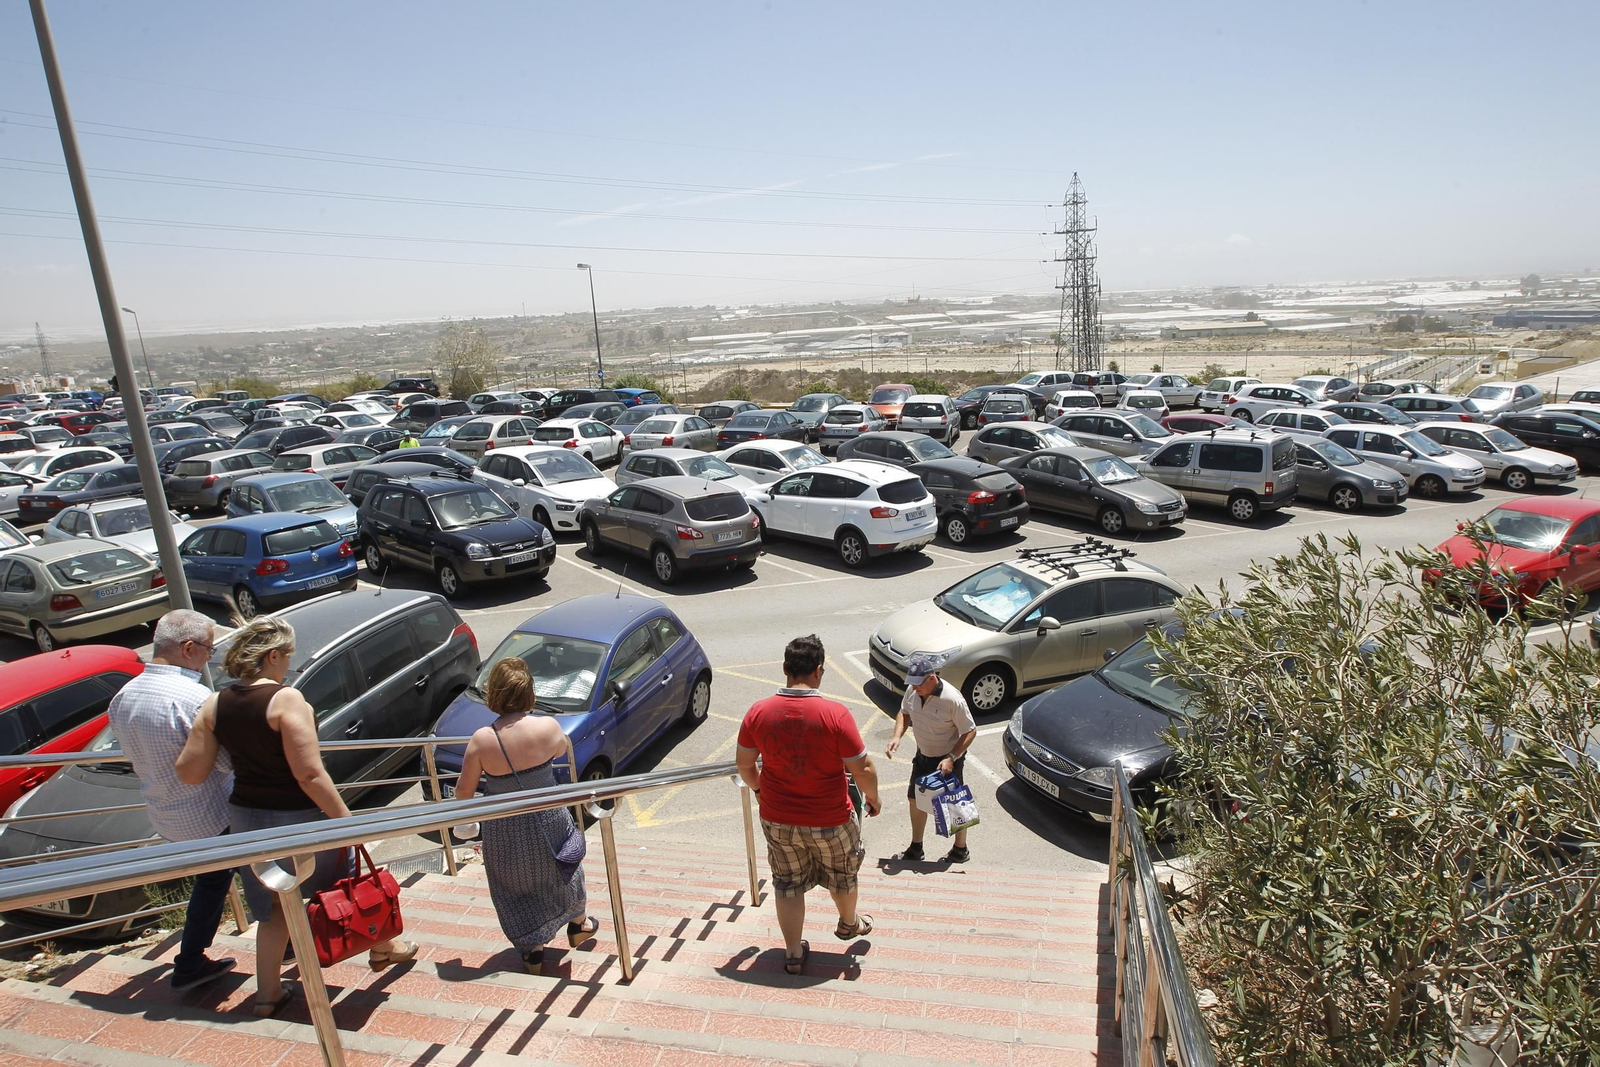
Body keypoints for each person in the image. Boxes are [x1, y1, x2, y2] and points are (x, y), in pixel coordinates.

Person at [176, 616, 416, 1018]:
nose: (289, 663)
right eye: (287, 656)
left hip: (247, 820)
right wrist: (346, 821)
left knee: (274, 910)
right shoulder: (286, 700)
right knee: (351, 886)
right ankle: (382, 947)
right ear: (272, 657)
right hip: (299, 818)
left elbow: (190, 771)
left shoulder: (216, 702)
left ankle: (268, 995)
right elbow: (308, 773)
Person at [107, 609, 236, 991]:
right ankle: (275, 945)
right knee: (259, 873)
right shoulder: (195, 698)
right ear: (188, 648)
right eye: (208, 649)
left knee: (214, 880)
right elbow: (227, 762)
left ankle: (192, 960)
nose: (210, 658)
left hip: (167, 816)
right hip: (212, 815)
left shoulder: (123, 696)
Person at [736, 634, 881, 975]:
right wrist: (873, 798)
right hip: (830, 817)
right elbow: (863, 768)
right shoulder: (835, 714)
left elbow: (744, 765)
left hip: (777, 817)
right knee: (843, 875)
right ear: (819, 671)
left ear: (785, 669)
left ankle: (791, 953)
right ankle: (848, 924)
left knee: (787, 883)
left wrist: (760, 791)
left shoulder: (758, 712)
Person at [453, 658, 597, 974]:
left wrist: (467, 824)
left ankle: (532, 950)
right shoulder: (547, 727)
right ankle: (578, 923)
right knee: (564, 870)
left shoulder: (481, 740)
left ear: (495, 696)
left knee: (516, 888)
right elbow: (561, 751)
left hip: (505, 830)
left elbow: (463, 793)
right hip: (549, 819)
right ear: (529, 693)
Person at [884, 654, 978, 864]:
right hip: (923, 756)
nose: (914, 688)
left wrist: (952, 757)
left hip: (947, 762)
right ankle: (916, 847)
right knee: (915, 799)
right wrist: (896, 736)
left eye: (918, 684)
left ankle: (960, 850)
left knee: (954, 804)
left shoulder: (952, 699)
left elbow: (970, 731)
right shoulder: (913, 691)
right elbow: (904, 712)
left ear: (931, 678)